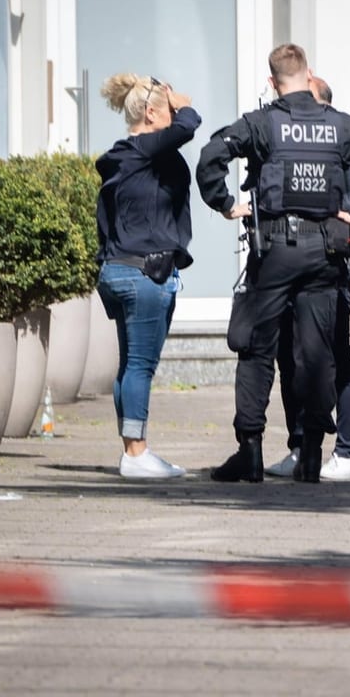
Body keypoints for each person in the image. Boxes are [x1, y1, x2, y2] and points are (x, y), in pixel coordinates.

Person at [196, 43, 350, 483]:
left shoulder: (262, 123)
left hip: (273, 251)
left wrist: (227, 204)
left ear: (272, 82)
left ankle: (250, 452)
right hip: (324, 254)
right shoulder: (340, 126)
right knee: (316, 354)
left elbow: (211, 155)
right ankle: (311, 455)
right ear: (309, 76)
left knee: (257, 351)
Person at [95, 73, 201, 479]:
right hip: (146, 273)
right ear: (153, 112)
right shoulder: (147, 150)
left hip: (117, 269)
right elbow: (189, 126)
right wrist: (184, 104)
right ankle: (136, 454)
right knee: (140, 366)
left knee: (128, 366)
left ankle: (133, 449)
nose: (176, 116)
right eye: (169, 111)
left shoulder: (121, 156)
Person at [266, 76, 350, 481]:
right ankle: (299, 443)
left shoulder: (342, 143)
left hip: (332, 266)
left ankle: (347, 452)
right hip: (291, 260)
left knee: (336, 355)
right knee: (292, 357)